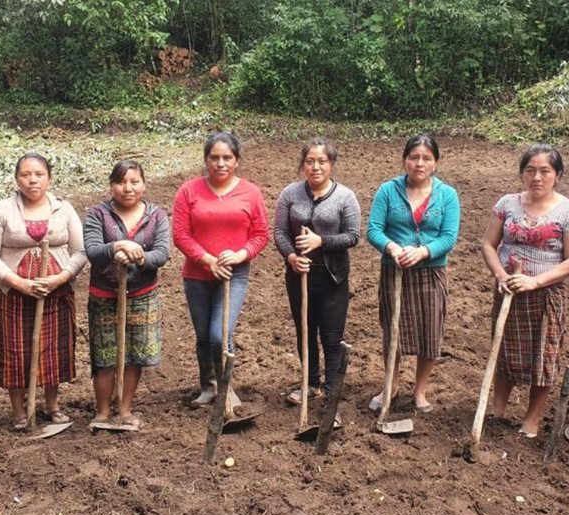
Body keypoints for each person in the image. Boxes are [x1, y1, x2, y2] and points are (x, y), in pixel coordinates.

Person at [481, 144, 569, 438]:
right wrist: (500, 275)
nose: (537, 177)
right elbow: (489, 245)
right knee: (503, 352)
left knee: (544, 356)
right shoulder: (507, 204)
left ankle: (531, 418)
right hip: (509, 292)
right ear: (522, 173)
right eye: (530, 170)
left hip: (545, 296)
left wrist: (535, 282)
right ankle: (498, 411)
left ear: (558, 175)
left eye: (545, 171)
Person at [0, 153, 87, 430]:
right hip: (15, 294)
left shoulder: (64, 209)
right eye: (26, 174)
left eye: (39, 174)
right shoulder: (0, 210)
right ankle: (19, 410)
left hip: (57, 293)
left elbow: (80, 251)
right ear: (17, 179)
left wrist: (60, 278)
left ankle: (51, 405)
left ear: (49, 178)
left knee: (53, 348)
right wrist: (19, 283)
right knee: (16, 349)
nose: (32, 180)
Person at [172, 132, 269, 410]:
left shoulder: (250, 192)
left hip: (233, 274)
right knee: (203, 335)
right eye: (214, 157)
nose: (220, 163)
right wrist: (206, 259)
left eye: (227, 157)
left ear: (237, 160)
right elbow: (181, 234)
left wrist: (240, 254)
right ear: (206, 160)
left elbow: (260, 234)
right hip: (197, 274)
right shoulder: (188, 191)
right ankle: (209, 386)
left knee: (219, 334)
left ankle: (226, 388)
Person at [367, 135, 460, 414]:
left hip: (430, 273)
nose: (419, 163)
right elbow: (373, 230)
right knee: (392, 331)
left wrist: (423, 252)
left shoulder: (447, 195)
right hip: (394, 271)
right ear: (405, 159)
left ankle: (420, 391)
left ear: (435, 163)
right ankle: (390, 386)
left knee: (430, 333)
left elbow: (449, 237)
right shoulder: (387, 190)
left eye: (426, 158)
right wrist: (392, 248)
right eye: (414, 157)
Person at [273, 138, 361, 416]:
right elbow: (279, 232)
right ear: (303, 165)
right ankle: (310, 384)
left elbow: (353, 236)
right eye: (310, 161)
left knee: (332, 336)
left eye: (322, 161)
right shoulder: (290, 194)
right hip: (299, 275)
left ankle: (331, 387)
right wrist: (291, 257)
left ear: (331, 164)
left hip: (333, 277)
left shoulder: (345, 197)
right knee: (306, 332)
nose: (315, 167)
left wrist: (320, 242)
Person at [83, 160, 171, 427]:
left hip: (143, 296)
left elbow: (162, 253)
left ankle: (125, 409)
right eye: (121, 182)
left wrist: (138, 255)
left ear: (144, 184)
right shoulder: (97, 214)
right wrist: (117, 246)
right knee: (105, 356)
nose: (128, 188)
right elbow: (93, 251)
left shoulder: (156, 215)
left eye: (134, 182)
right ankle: (102, 412)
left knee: (134, 356)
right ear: (112, 185)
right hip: (105, 296)